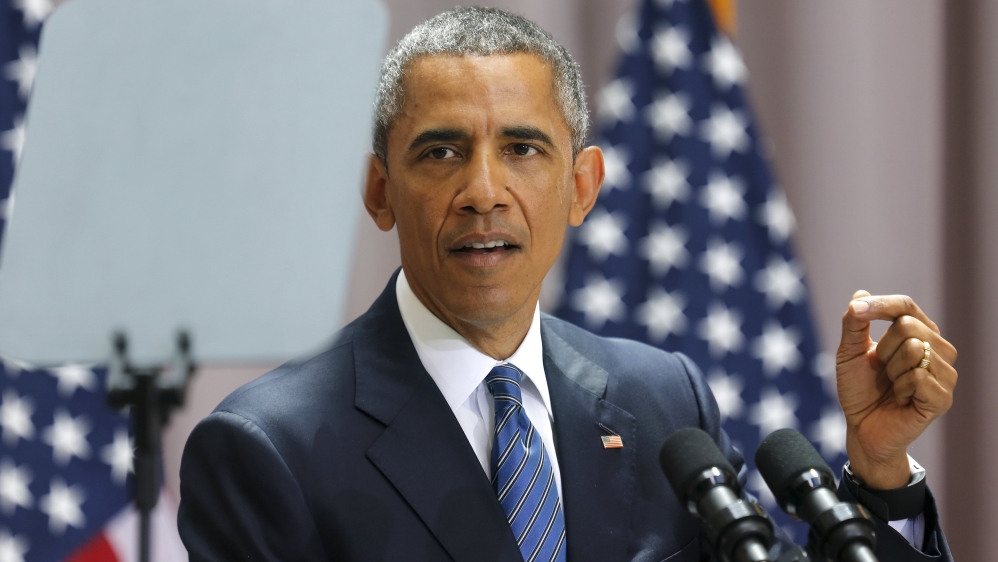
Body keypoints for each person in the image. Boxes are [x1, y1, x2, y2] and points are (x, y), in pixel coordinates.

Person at [178, 7, 956, 561]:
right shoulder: (268, 447)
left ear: (582, 186)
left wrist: (880, 468)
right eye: (442, 153)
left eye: (522, 148)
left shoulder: (662, 401)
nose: (483, 190)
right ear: (380, 193)